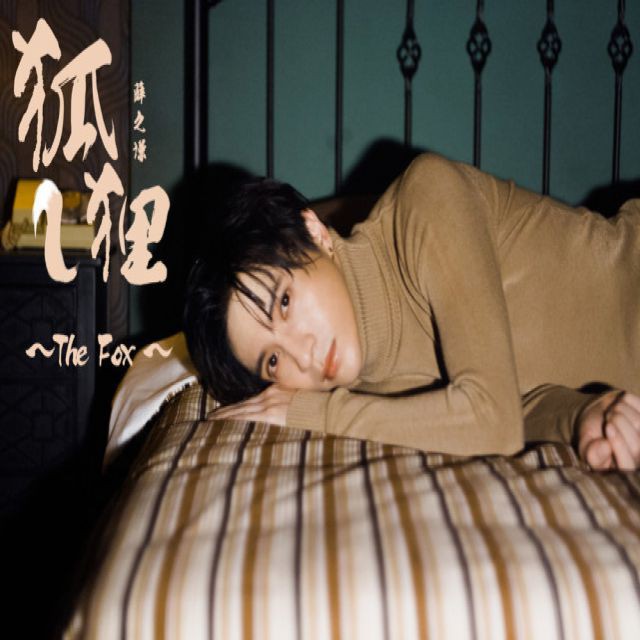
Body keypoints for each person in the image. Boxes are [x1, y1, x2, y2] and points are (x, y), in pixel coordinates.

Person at [184, 153, 640, 470]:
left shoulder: (426, 197)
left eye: (284, 302)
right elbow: (519, 405)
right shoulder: (375, 395)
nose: (303, 357)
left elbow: (492, 421)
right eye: (273, 360)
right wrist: (583, 415)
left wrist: (314, 413)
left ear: (315, 232)